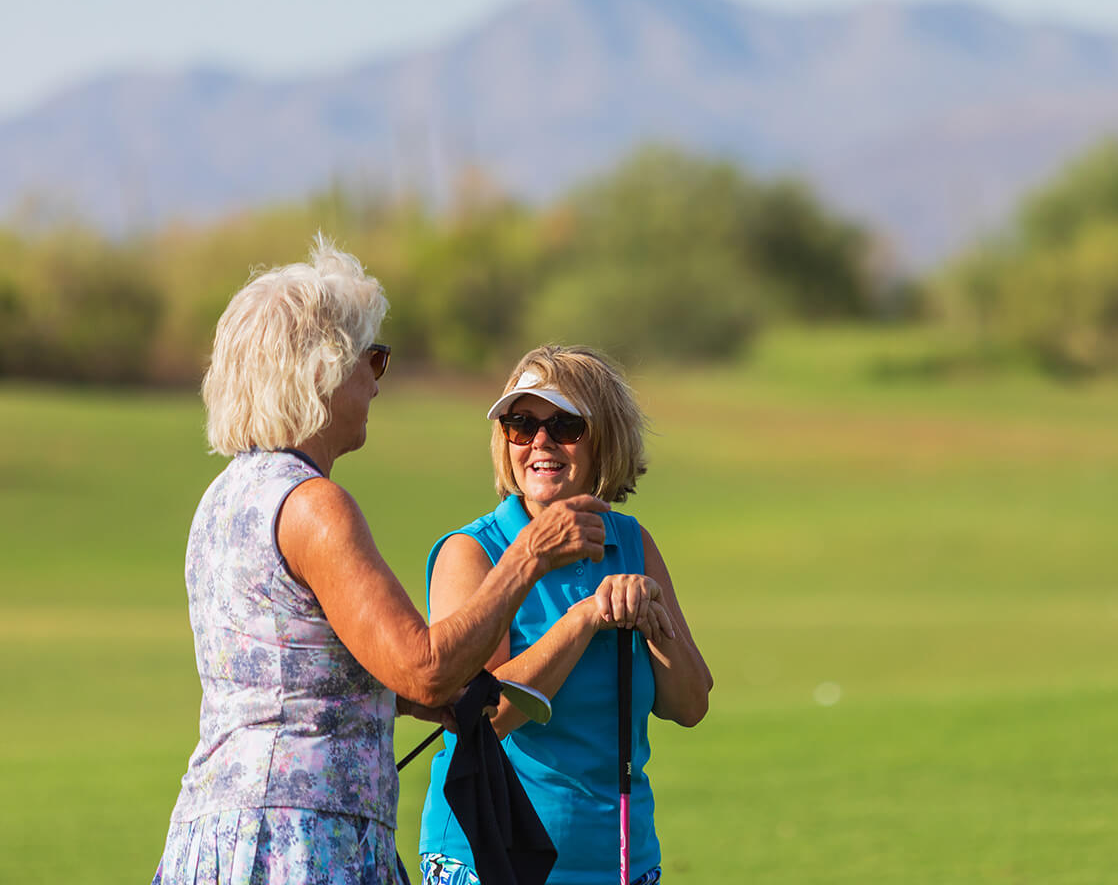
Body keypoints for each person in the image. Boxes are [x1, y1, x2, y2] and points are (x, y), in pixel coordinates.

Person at [152, 243, 609, 885]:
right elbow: (423, 669)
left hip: (225, 832)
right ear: (319, 373)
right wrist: (529, 555)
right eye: (372, 358)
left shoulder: (225, 497)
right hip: (303, 836)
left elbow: (293, 671)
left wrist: (408, 700)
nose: (376, 380)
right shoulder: (315, 506)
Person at [419, 345, 713, 885]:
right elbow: (483, 719)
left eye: (565, 425)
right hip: (492, 860)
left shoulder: (632, 542)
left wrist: (653, 622)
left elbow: (691, 704)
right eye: (521, 423)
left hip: (622, 859)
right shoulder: (473, 552)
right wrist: (582, 622)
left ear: (605, 439)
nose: (540, 442)